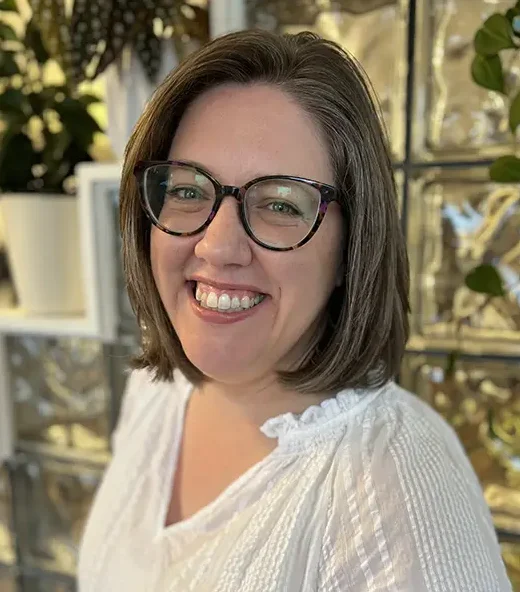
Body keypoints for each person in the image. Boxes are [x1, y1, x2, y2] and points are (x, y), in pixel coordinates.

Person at [77, 30, 512, 591]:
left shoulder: (397, 487)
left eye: (280, 203)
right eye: (187, 190)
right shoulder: (156, 394)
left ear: (352, 242)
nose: (216, 246)